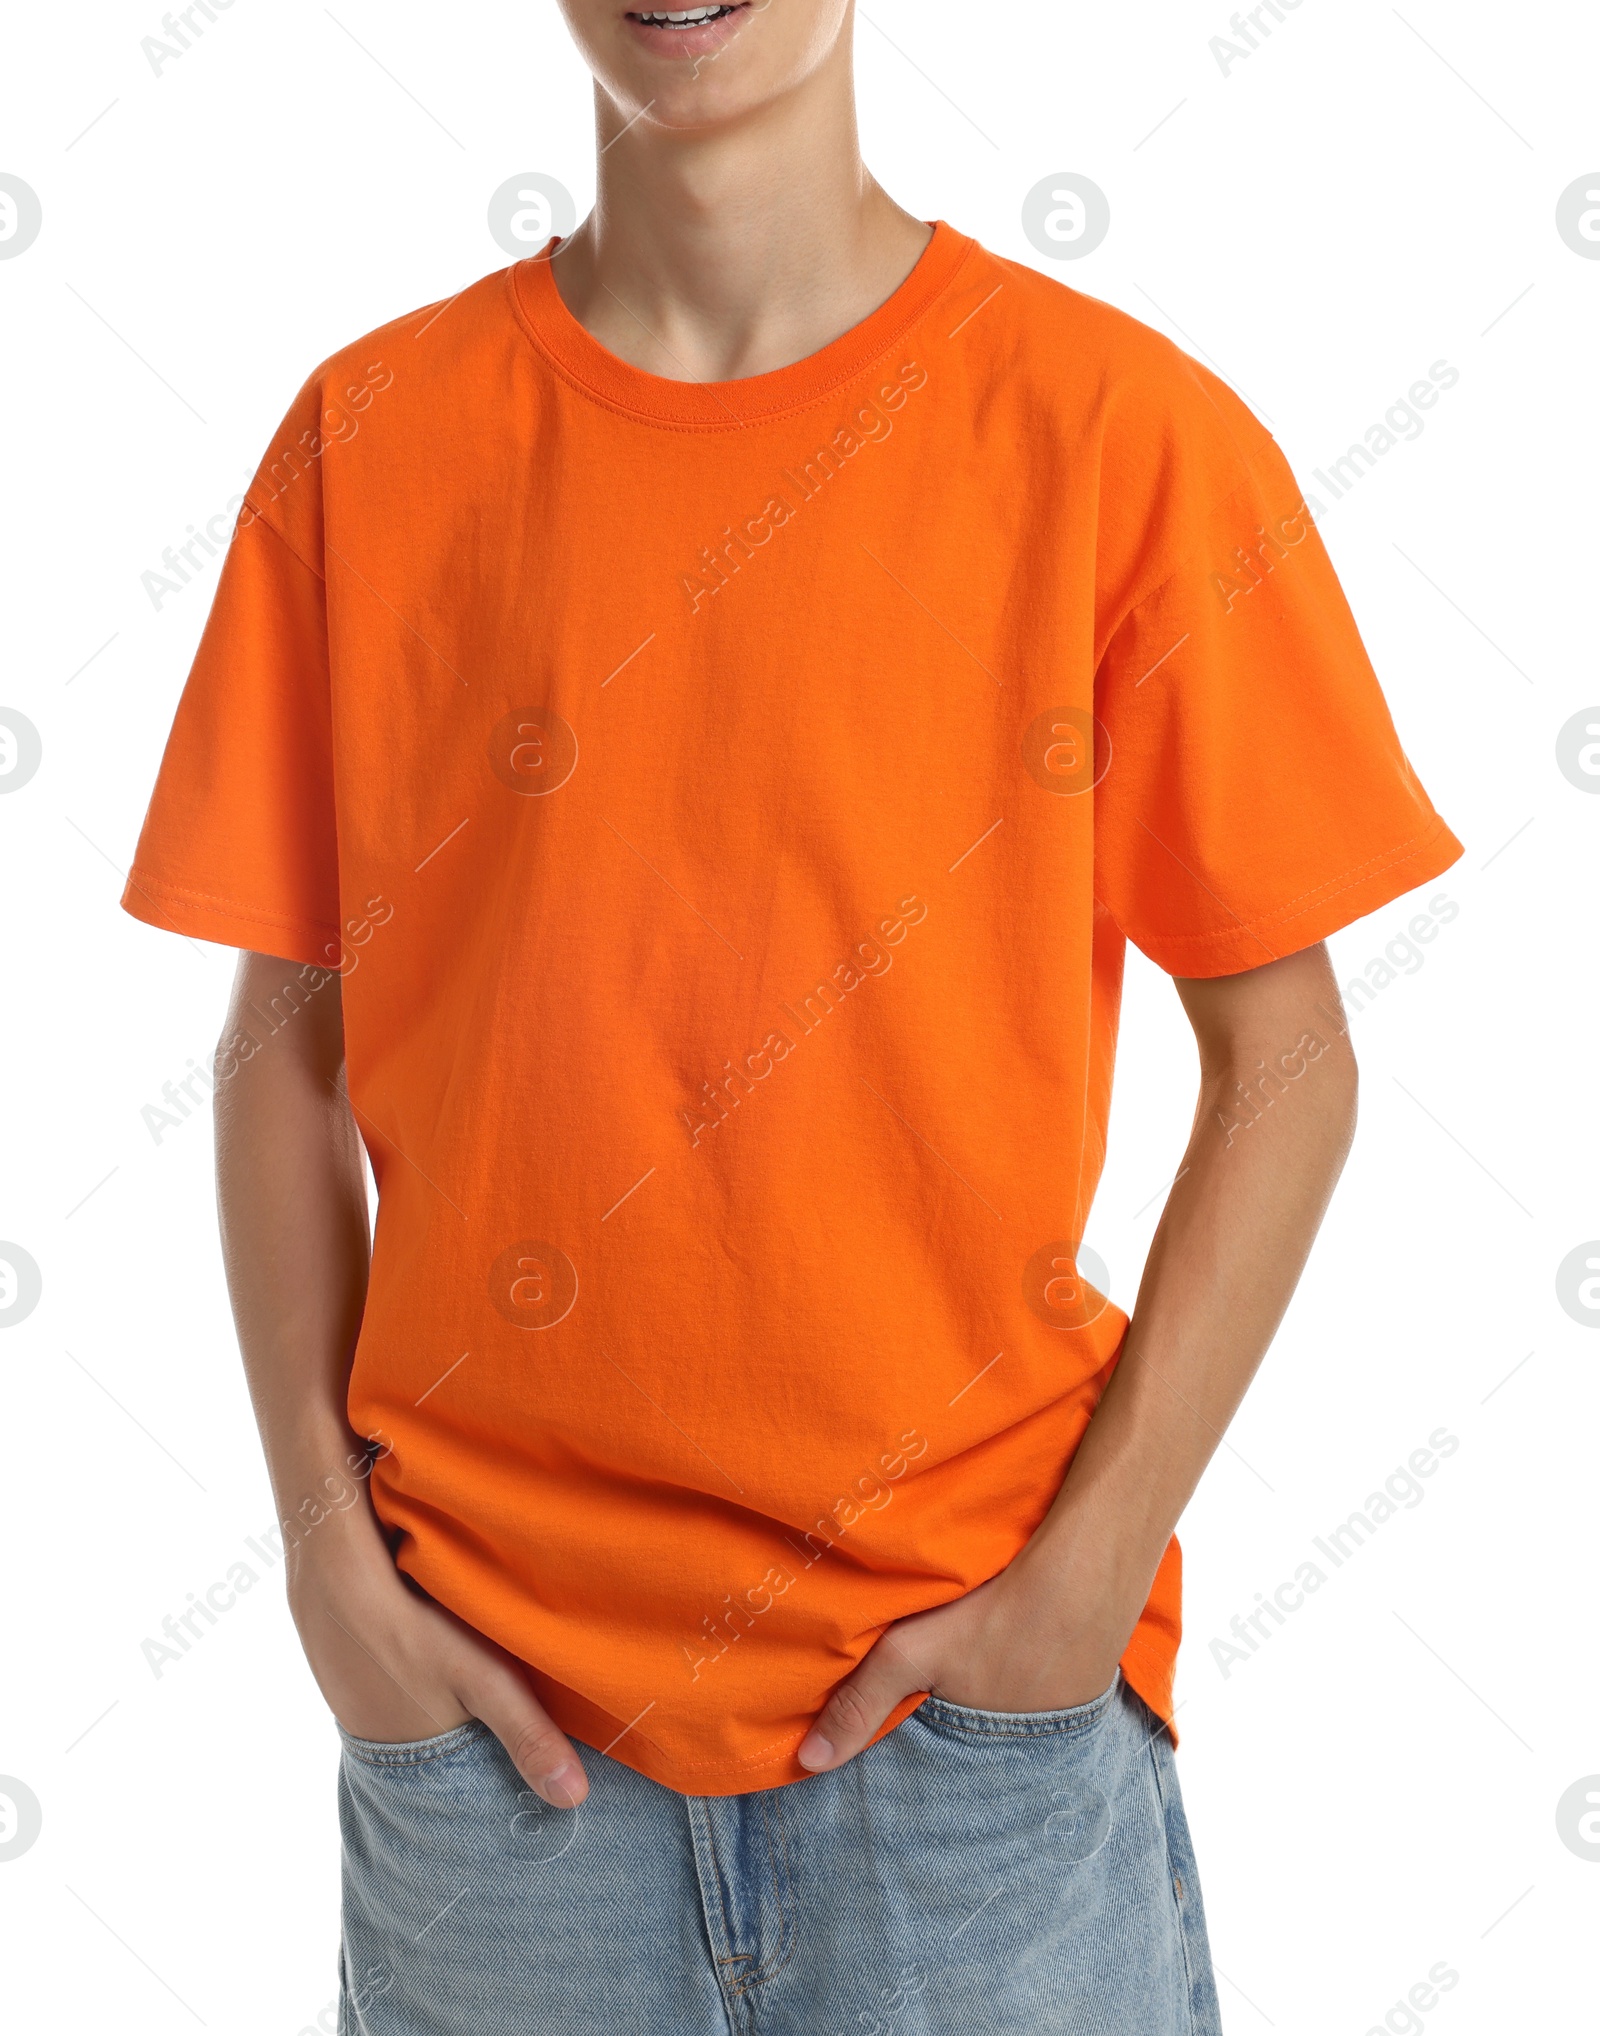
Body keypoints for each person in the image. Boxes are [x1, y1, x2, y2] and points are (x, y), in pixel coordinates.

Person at [122, 2, 1461, 2029]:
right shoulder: (366, 441)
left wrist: (1082, 1582)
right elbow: (276, 1047)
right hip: (492, 1760)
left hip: (971, 1744)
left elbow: (1288, 1065)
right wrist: (326, 1568)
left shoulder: (1117, 434)